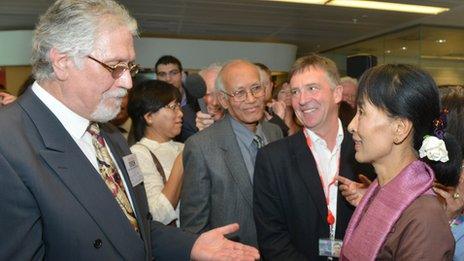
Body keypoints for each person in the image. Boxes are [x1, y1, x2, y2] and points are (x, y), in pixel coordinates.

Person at [0, 1, 260, 260]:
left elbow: (133, 229)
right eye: (115, 67)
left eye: (129, 68)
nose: (126, 82)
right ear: (62, 62)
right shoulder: (8, 147)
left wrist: (190, 246)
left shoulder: (110, 136)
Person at [253, 54, 373, 260]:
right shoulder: (273, 159)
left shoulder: (368, 153)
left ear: (337, 94)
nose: (302, 100)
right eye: (295, 92)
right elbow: (272, 240)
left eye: (312, 88)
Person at [339, 64, 456, 260]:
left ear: (400, 128)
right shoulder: (378, 192)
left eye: (362, 112)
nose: (351, 126)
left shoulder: (424, 219)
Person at [180, 59, 283, 247]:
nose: (251, 99)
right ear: (224, 100)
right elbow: (194, 230)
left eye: (256, 88)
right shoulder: (201, 147)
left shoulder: (275, 133)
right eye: (239, 93)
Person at [128, 80, 184, 226]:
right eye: (172, 107)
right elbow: (157, 216)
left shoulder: (183, 146)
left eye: (179, 105)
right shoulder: (137, 154)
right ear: (149, 117)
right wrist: (182, 161)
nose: (180, 113)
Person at [155, 55, 198, 142]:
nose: (168, 79)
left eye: (173, 73)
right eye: (162, 74)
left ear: (182, 74)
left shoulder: (197, 99)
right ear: (157, 77)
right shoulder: (151, 104)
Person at [194, 63, 225, 131]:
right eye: (206, 94)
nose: (214, 103)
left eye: (218, 94)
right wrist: (203, 134)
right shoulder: (188, 121)